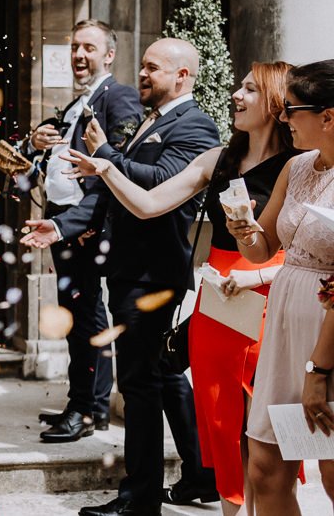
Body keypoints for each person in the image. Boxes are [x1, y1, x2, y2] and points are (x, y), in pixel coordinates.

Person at [61, 61, 298, 515]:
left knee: (266, 439)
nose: (236, 95)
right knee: (223, 428)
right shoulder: (218, 159)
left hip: (270, 297)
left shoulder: (296, 165)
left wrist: (258, 272)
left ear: (272, 103)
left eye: (248, 89)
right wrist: (106, 169)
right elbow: (150, 205)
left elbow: (301, 248)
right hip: (218, 302)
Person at [23, 38, 219, 516]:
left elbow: (155, 186)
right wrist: (62, 225)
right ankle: (199, 475)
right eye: (144, 66)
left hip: (154, 272)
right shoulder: (152, 121)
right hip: (131, 268)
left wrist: (106, 153)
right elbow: (111, 193)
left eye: (153, 68)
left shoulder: (195, 126)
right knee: (160, 375)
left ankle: (140, 497)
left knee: (138, 384)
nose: (143, 75)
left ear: (183, 76)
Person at [22, 19, 141, 443]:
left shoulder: (119, 97)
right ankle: (84, 404)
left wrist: (77, 224)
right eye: (75, 47)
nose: (79, 55)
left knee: (87, 318)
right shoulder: (75, 104)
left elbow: (119, 169)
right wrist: (36, 145)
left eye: (89, 48)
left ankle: (87, 409)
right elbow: (56, 162)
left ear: (109, 54)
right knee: (79, 317)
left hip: (87, 228)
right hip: (67, 228)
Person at [227, 59, 334, 515]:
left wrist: (318, 373)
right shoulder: (297, 168)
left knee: (333, 473)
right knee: (266, 467)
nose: (282, 118)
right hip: (286, 329)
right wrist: (243, 229)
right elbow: (263, 248)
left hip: (328, 336)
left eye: (291, 110)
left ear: (328, 116)